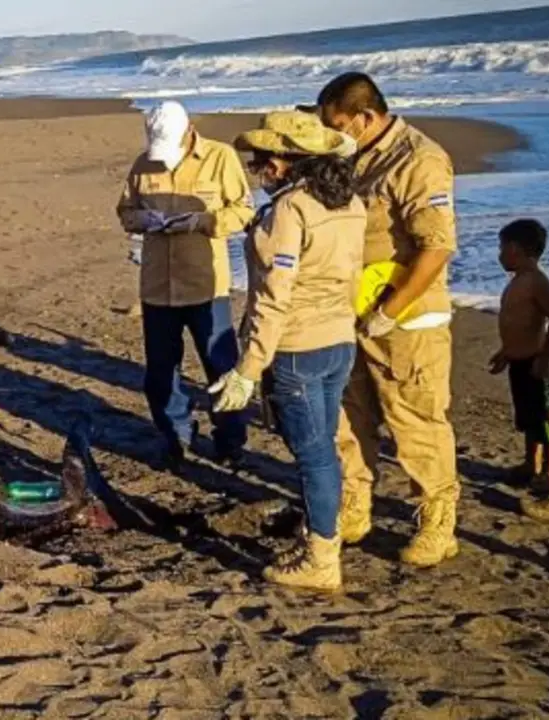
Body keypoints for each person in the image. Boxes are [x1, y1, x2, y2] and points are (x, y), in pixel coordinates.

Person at [211, 110, 365, 591]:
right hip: (340, 339)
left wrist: (247, 369)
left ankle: (321, 556)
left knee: (314, 453)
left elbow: (274, 298)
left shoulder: (289, 211)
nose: (259, 169)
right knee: (325, 447)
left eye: (262, 160)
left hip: (297, 347)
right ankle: (323, 534)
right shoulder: (350, 204)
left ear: (282, 163)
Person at [314, 72, 461, 567]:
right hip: (351, 314)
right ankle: (355, 506)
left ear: (366, 117)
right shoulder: (349, 158)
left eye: (338, 124)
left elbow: (436, 248)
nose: (334, 134)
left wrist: (388, 312)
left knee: (416, 423)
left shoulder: (420, 159)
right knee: (349, 418)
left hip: (406, 321)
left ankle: (438, 522)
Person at [115, 100, 256, 470]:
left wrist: (202, 222)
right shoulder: (143, 163)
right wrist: (142, 218)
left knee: (221, 365)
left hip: (206, 285)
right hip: (158, 287)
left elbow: (243, 210)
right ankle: (175, 434)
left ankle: (230, 440)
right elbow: (125, 211)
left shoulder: (221, 157)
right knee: (161, 372)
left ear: (190, 129)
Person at [488, 218, 549, 522]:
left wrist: (544, 357)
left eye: (502, 248)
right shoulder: (516, 280)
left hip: (538, 363)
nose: (500, 254)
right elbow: (518, 324)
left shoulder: (535, 281)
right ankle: (530, 464)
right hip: (519, 362)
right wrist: (506, 352)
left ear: (515, 249)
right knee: (528, 418)